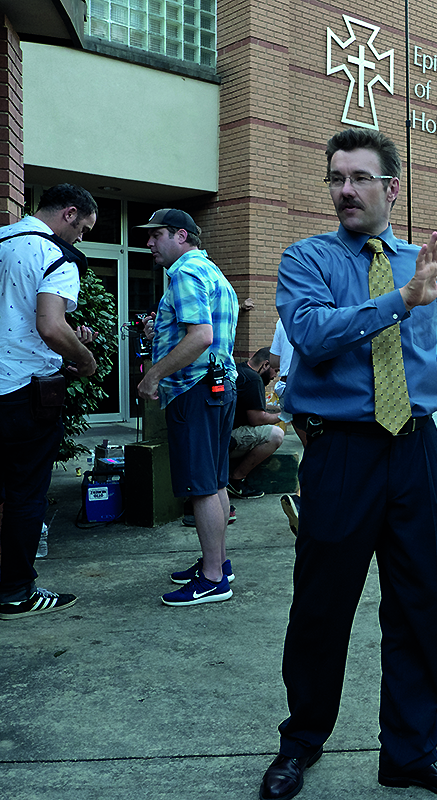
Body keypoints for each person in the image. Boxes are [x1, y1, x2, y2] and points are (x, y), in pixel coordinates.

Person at [262, 127, 437, 800]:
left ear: (391, 188)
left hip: (415, 448)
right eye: (336, 178)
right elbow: (311, 335)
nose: (345, 190)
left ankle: (411, 753)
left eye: (359, 178)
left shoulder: (425, 265)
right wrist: (400, 300)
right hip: (341, 452)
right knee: (321, 609)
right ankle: (300, 742)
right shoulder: (306, 260)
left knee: (416, 605)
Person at [0, 184, 99, 619]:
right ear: (69, 213)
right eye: (84, 229)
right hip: (23, 394)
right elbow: (51, 327)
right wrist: (85, 359)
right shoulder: (54, 254)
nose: (81, 239)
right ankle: (18, 592)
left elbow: (3, 316)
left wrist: (66, 334)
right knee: (25, 496)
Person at [136, 208, 239, 607]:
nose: (149, 243)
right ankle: (218, 563)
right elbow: (206, 335)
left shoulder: (183, 273)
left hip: (194, 389)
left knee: (199, 488)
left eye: (155, 235)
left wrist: (152, 375)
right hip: (218, 385)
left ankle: (213, 579)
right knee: (214, 482)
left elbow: (200, 336)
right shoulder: (214, 272)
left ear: (181, 236)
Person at [228, 346, 285, 499]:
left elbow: (254, 405)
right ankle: (236, 479)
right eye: (276, 370)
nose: (275, 376)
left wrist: (278, 409)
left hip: (222, 435)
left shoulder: (240, 369)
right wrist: (285, 415)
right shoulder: (253, 379)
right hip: (229, 440)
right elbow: (257, 419)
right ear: (266, 365)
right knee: (276, 435)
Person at [269, 317, 300, 533]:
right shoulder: (328, 309)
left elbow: (274, 361)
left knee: (315, 449)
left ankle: (300, 501)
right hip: (314, 385)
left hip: (288, 388)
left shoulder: (284, 320)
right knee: (322, 451)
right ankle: (301, 501)